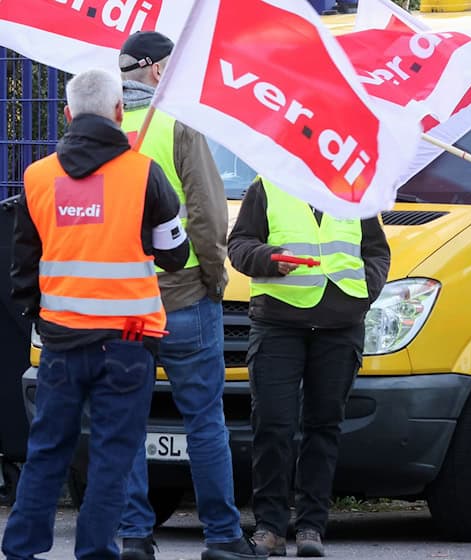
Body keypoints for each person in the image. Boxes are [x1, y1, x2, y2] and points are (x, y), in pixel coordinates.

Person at [1, 68, 189, 559]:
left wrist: (40, 321)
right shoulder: (144, 172)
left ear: (67, 115)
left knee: (47, 452)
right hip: (128, 342)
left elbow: (23, 269)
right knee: (112, 458)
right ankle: (96, 554)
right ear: (119, 112)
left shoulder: (38, 178)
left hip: (61, 344)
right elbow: (177, 254)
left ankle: (20, 550)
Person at [114, 31, 260, 560]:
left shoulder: (102, 131)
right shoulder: (178, 125)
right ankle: (221, 535)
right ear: (157, 72)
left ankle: (134, 535)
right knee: (203, 419)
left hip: (120, 305)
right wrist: (216, 277)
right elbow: (207, 213)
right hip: (183, 299)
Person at [228, 177, 390, 557]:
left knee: (324, 427)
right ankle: (269, 527)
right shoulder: (267, 184)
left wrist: (364, 290)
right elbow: (239, 246)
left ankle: (311, 528)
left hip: (339, 327)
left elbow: (377, 252)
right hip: (279, 326)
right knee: (272, 425)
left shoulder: (355, 190)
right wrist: (268, 258)